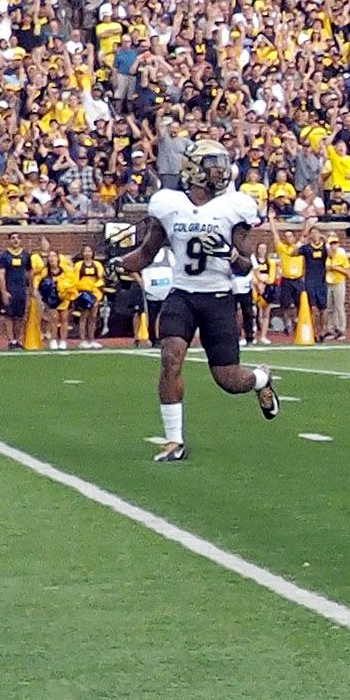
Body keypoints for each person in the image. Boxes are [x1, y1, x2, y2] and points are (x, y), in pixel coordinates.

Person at [124, 140, 281, 462]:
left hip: (219, 297)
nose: (220, 169)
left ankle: (261, 378)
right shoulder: (169, 204)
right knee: (170, 357)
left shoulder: (234, 206)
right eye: (213, 162)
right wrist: (116, 264)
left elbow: (245, 265)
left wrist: (229, 253)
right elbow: (146, 254)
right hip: (182, 294)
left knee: (229, 379)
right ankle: (174, 441)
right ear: (194, 168)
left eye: (222, 162)